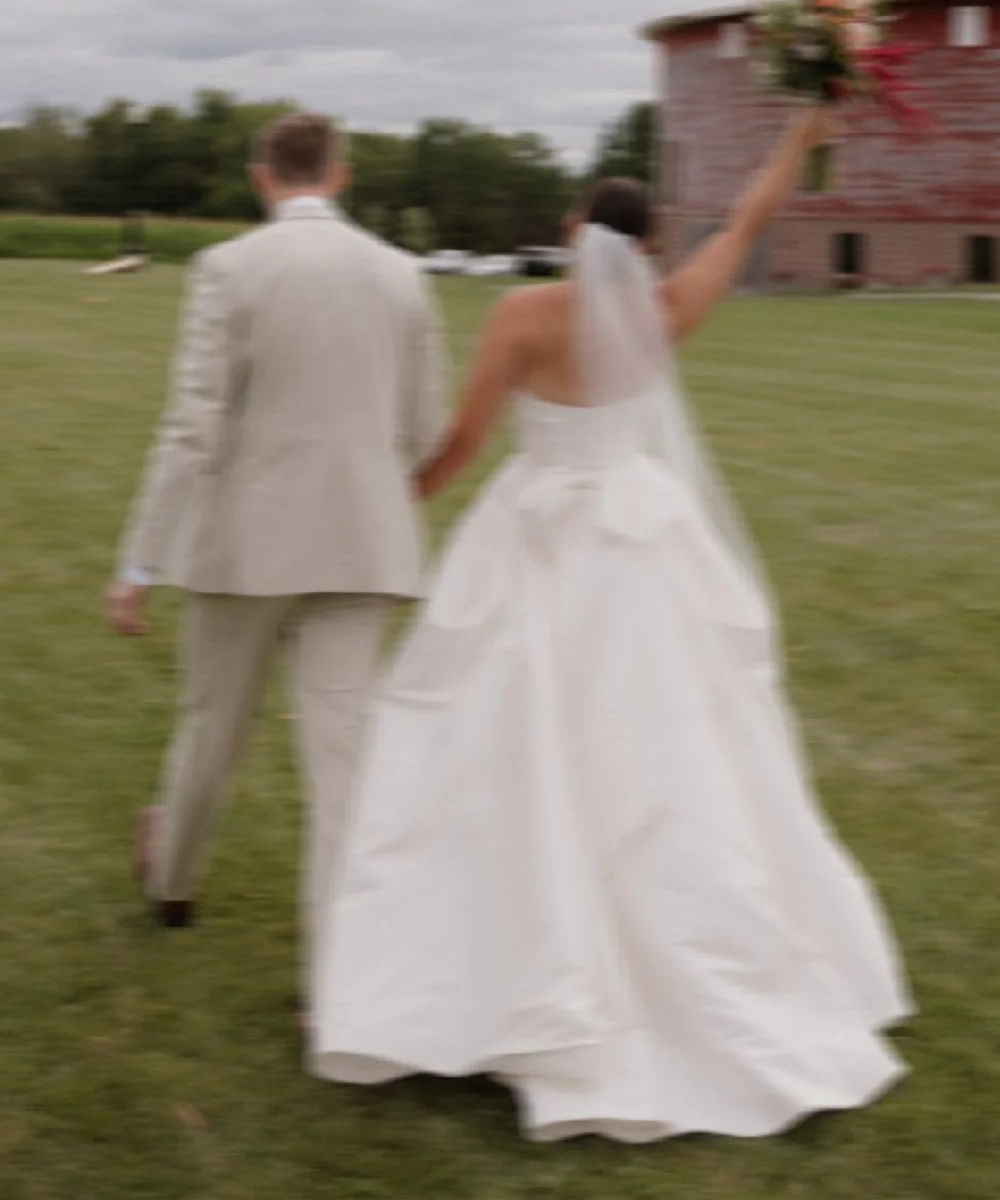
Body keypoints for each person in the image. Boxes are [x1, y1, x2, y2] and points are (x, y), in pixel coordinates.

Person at [308, 105, 912, 1143]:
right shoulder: (671, 308)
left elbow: (464, 441)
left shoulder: (521, 317)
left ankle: (501, 967)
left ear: (574, 226)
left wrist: (394, 506)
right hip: (640, 545)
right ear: (648, 243)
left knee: (495, 740)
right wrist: (800, 134)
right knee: (664, 746)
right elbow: (750, 219)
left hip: (536, 536)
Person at [108, 113, 447, 992]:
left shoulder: (229, 268)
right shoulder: (404, 275)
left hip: (244, 548)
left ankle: (173, 884)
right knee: (343, 764)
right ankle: (336, 987)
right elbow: (426, 431)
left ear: (263, 176)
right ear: (340, 174)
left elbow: (192, 427)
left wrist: (141, 564)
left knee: (211, 729)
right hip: (363, 548)